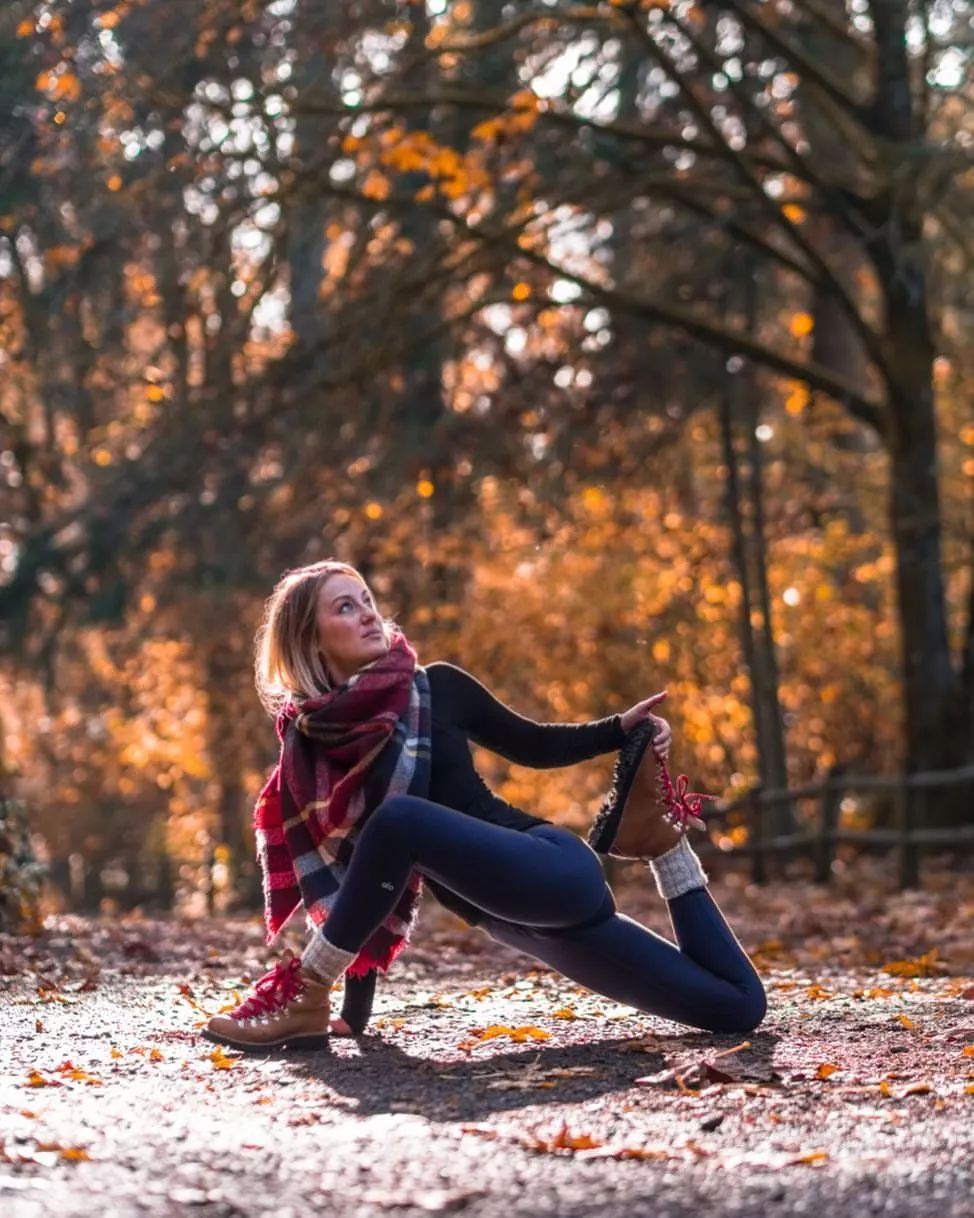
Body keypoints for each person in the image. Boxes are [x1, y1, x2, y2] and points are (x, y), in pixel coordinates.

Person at [203, 560, 766, 1051]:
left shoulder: (435, 688)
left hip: (551, 869)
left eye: (368, 601)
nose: (369, 614)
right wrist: (353, 1019)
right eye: (346, 608)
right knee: (735, 1009)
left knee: (398, 819)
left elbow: (533, 744)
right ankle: (665, 848)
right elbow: (362, 875)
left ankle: (307, 984)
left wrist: (618, 730)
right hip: (518, 922)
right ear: (310, 640)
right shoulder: (310, 747)